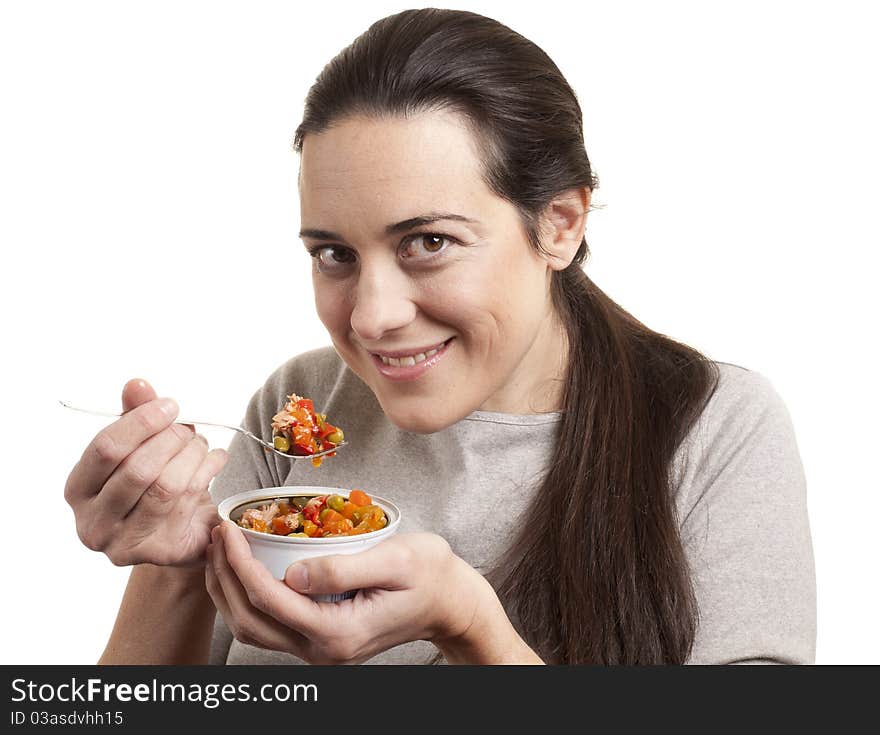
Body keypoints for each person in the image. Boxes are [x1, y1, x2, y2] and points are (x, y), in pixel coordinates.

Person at [64, 8, 816, 665]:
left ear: (560, 224)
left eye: (427, 242)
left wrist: (474, 631)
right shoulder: (295, 410)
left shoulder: (716, 429)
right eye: (336, 254)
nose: (370, 316)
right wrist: (177, 562)